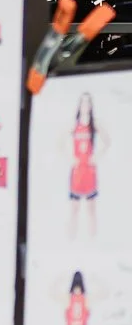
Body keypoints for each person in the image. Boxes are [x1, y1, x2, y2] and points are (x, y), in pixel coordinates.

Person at [68, 92, 100, 239]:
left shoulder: (95, 125)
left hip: (90, 172)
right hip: (77, 173)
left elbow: (108, 140)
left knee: (91, 210)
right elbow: (59, 142)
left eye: (88, 103)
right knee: (74, 209)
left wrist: (97, 156)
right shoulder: (74, 125)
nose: (85, 106)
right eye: (83, 103)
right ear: (79, 106)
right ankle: (71, 240)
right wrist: (70, 158)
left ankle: (92, 241)